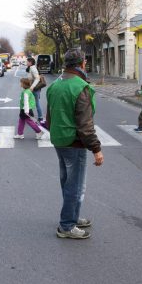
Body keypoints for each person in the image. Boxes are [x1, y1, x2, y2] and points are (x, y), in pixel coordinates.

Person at [46, 48, 103, 240]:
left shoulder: (55, 85)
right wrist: (96, 149)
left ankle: (73, 217)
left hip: (59, 140)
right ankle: (67, 226)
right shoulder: (81, 87)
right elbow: (85, 125)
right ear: (82, 64)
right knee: (75, 185)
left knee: (67, 181)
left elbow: (48, 118)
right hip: (74, 142)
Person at [26, 57, 44, 122]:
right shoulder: (31, 68)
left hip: (35, 89)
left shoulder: (33, 68)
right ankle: (35, 116)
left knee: (35, 102)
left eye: (27, 61)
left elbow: (37, 78)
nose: (26, 62)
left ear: (30, 62)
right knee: (30, 102)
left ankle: (39, 117)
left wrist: (32, 87)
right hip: (33, 89)